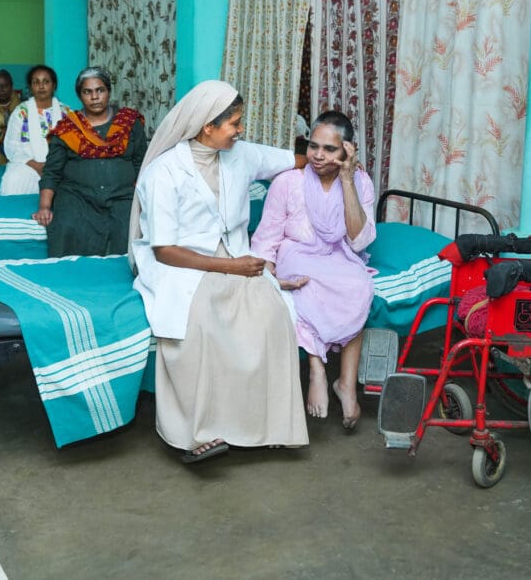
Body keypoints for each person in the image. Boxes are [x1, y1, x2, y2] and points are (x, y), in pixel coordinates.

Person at [130, 80, 310, 463]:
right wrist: (232, 267)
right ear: (206, 126)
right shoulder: (165, 172)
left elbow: (294, 160)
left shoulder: (239, 154)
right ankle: (195, 433)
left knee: (273, 314)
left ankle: (267, 425)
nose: (240, 130)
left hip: (235, 257)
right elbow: (164, 249)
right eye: (234, 123)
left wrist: (332, 159)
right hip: (182, 262)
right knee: (200, 323)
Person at [250, 111, 376, 429]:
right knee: (303, 287)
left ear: (347, 151)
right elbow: (267, 238)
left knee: (359, 287)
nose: (318, 155)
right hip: (296, 255)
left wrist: (347, 180)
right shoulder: (287, 183)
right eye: (313, 146)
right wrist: (269, 276)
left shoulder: (360, 181)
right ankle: (317, 369)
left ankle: (346, 384)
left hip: (340, 255)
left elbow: (359, 242)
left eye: (330, 149)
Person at [32, 67, 147, 257]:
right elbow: (52, 171)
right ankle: (71, 283)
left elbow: (142, 164)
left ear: (108, 92)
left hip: (122, 197)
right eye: (88, 92)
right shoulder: (67, 128)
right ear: (80, 96)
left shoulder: (129, 122)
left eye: (100, 90)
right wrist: (44, 207)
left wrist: (145, 200)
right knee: (67, 227)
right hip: (78, 197)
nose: (95, 97)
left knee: (129, 233)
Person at [0, 65, 69, 194]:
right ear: (31, 87)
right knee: (13, 179)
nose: (41, 86)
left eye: (46, 82)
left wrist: (53, 166)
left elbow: (73, 146)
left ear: (54, 85)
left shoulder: (67, 112)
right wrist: (37, 165)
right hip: (27, 164)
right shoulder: (21, 112)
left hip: (59, 165)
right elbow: (12, 146)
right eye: (36, 82)